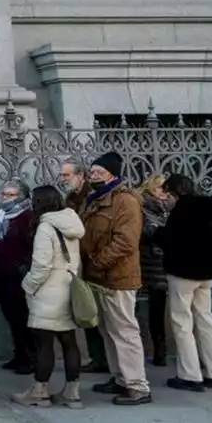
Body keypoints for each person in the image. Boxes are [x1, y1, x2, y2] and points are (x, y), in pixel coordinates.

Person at [79, 151, 150, 406]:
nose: (93, 174)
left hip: (117, 277)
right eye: (92, 171)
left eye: (99, 171)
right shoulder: (94, 198)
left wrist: (98, 262)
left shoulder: (125, 201)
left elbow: (126, 242)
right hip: (98, 276)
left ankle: (137, 385)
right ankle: (120, 377)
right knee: (108, 330)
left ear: (113, 174)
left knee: (124, 330)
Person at [156, 174, 212, 393]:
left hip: (182, 273)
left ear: (174, 193)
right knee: (206, 320)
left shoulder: (181, 212)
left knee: (182, 323)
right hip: (207, 273)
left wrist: (158, 233)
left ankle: (190, 375)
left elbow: (171, 242)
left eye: (167, 195)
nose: (166, 200)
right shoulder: (211, 208)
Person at [11, 185, 86, 409]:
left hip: (49, 293)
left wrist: (28, 285)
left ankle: (39, 392)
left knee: (45, 344)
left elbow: (42, 266)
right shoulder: (71, 222)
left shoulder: (45, 227)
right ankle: (72, 393)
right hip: (68, 288)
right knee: (69, 342)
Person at [61, 160, 108, 373]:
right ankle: (98, 357)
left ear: (80, 175)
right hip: (78, 258)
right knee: (87, 310)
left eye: (66, 175)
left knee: (99, 313)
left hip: (94, 258)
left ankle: (106, 358)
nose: (64, 179)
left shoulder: (91, 196)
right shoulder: (71, 198)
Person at [0, 180, 35, 374]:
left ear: (22, 196)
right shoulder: (1, 216)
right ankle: (20, 354)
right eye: (4, 194)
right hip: (3, 276)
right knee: (13, 319)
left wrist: (22, 267)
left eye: (11, 195)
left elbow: (30, 246)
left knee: (24, 318)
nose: (6, 198)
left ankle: (31, 357)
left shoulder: (26, 217)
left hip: (18, 277)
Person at [137, 174, 172, 367]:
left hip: (174, 262)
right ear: (151, 189)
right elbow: (141, 234)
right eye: (160, 188)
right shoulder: (144, 208)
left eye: (166, 189)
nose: (164, 192)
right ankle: (160, 350)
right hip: (153, 262)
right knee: (156, 308)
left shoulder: (175, 207)